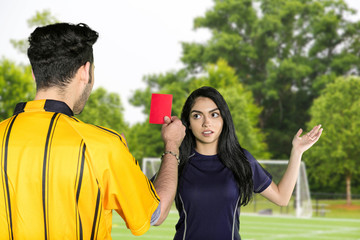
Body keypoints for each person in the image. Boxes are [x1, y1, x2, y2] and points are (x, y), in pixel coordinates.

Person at [0, 23, 185, 239]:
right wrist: (172, 146)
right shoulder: (103, 146)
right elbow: (156, 213)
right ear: (85, 71)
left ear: (34, 73)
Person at [174, 86, 322, 240]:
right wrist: (170, 145)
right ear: (188, 123)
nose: (206, 123)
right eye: (197, 116)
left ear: (223, 118)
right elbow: (153, 210)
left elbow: (282, 197)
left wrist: (297, 151)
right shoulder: (177, 161)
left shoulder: (241, 160)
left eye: (214, 114)